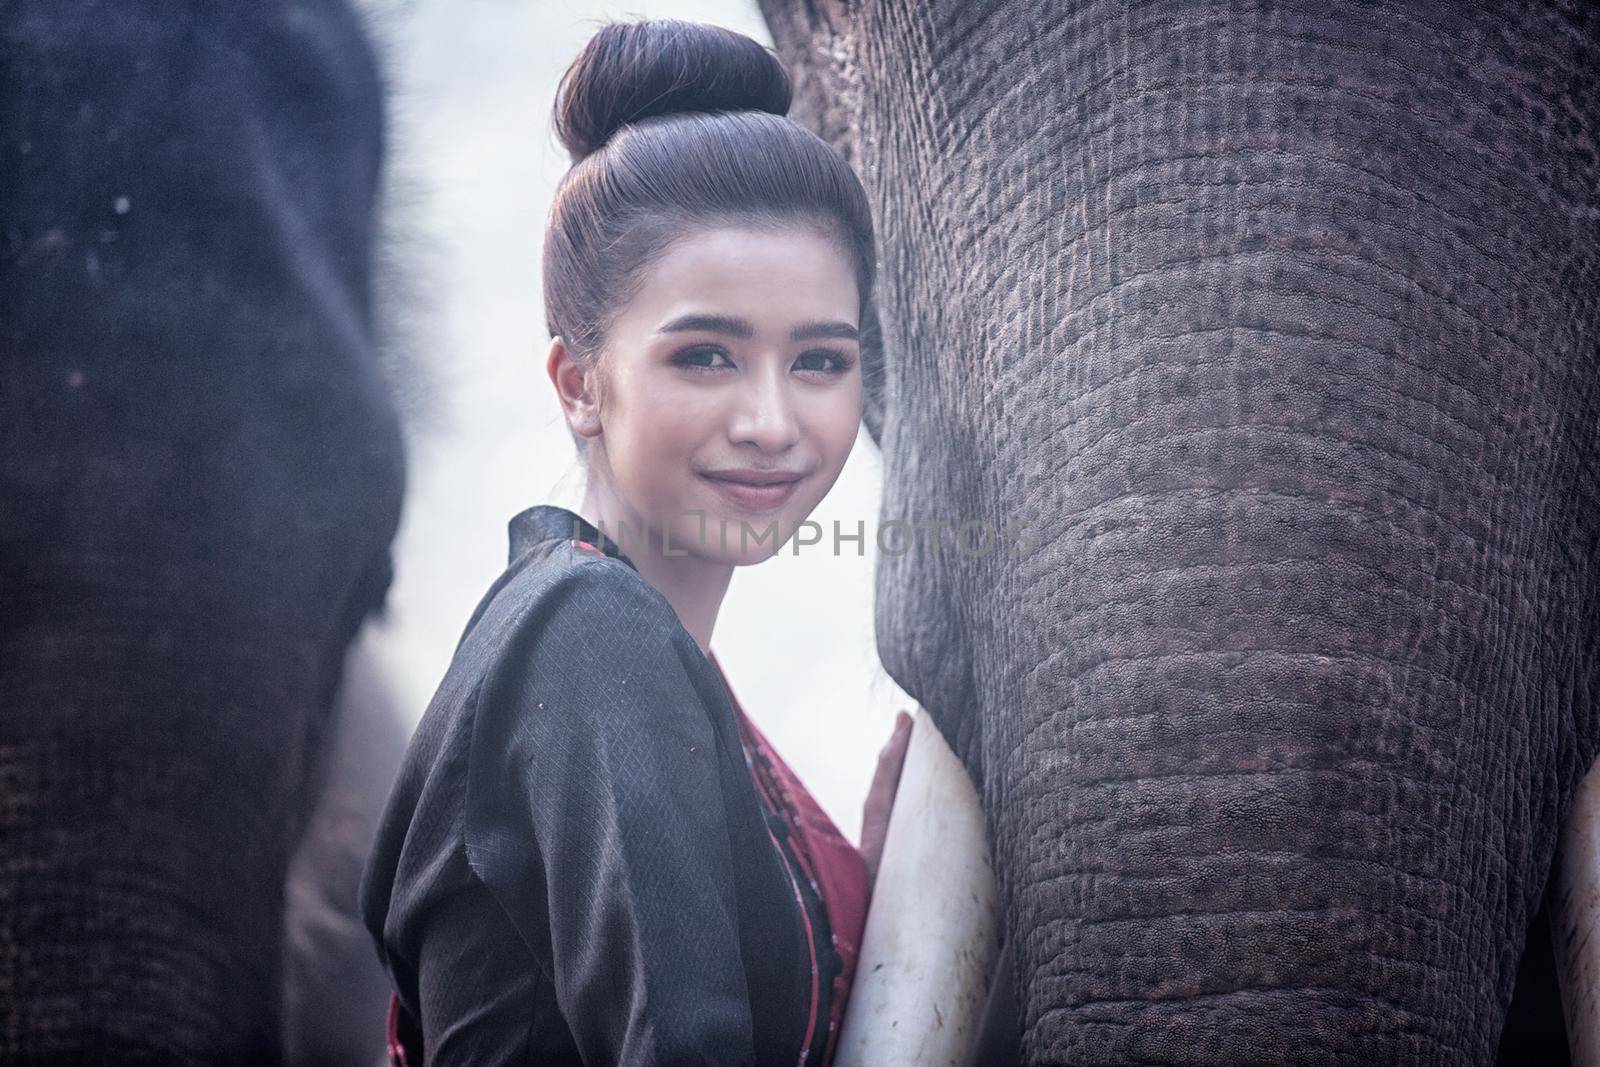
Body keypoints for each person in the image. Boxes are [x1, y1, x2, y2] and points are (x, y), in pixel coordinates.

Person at [358, 17, 914, 1066]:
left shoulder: (621, 643)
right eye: (706, 355)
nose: (770, 420)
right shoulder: (591, 636)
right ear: (579, 383)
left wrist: (869, 917)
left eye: (818, 361)